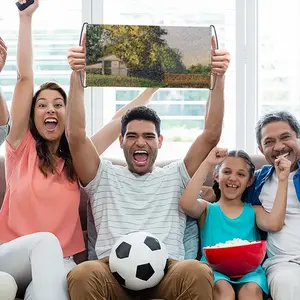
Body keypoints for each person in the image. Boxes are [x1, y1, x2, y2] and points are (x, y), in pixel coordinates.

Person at [65, 35, 230, 300]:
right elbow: (75, 136)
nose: (140, 142)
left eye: (148, 136)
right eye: (131, 136)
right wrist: (77, 76)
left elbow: (210, 134)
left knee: (197, 271)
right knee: (81, 274)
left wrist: (217, 79)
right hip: (111, 272)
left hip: (168, 270)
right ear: (120, 141)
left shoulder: (177, 174)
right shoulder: (102, 174)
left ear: (160, 141)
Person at [180, 147, 290, 300]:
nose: (233, 178)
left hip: (250, 271)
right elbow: (186, 203)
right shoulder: (207, 209)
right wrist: (207, 163)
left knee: (251, 291)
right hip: (214, 269)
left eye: (240, 174)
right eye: (227, 172)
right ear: (216, 176)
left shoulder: (254, 211)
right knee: (224, 291)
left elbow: (275, 224)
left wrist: (283, 180)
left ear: (250, 181)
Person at [243, 111, 300, 300]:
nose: (279, 146)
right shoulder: (255, 181)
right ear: (260, 149)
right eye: (269, 142)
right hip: (284, 264)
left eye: (285, 137)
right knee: (287, 283)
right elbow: (220, 194)